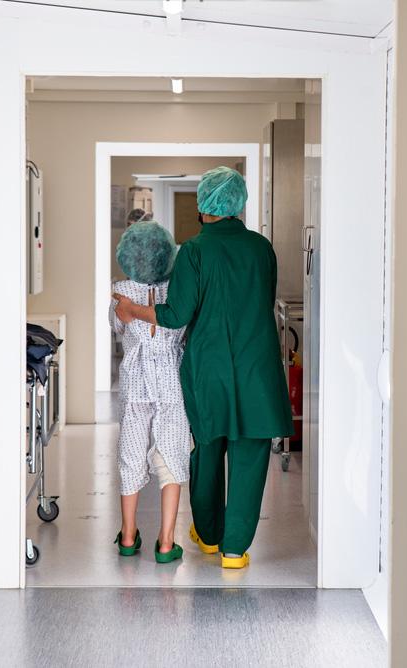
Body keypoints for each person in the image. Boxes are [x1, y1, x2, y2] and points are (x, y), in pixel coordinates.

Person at [113, 166, 292, 569]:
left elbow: (175, 316)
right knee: (250, 455)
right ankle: (234, 550)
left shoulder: (193, 251)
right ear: (238, 204)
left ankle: (208, 536)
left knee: (209, 448)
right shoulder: (262, 248)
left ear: (204, 204)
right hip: (257, 368)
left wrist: (131, 309)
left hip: (209, 369)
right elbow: (261, 301)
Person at [109, 221, 189, 563]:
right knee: (172, 454)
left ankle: (128, 536)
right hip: (172, 378)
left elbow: (117, 326)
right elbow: (184, 324)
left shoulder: (120, 291)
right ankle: (167, 542)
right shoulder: (178, 290)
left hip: (135, 380)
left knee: (131, 451)